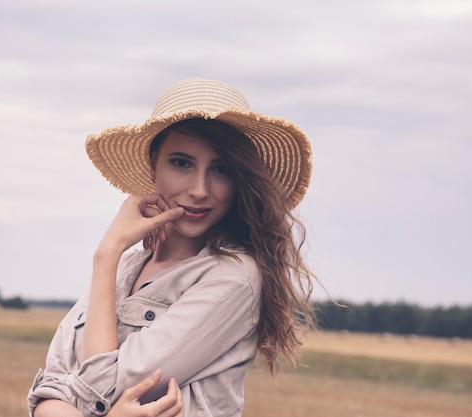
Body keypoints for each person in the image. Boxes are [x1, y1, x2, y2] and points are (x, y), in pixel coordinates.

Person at [28, 78, 317, 417]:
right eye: (181, 163)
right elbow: (47, 391)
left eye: (220, 170)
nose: (199, 189)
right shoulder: (123, 267)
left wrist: (105, 255)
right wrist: (110, 256)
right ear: (154, 165)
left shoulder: (233, 278)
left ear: (238, 181)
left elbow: (100, 390)